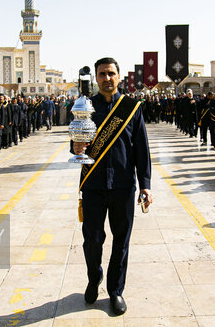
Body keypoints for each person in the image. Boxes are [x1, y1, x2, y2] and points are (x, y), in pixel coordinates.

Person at [72, 57, 152, 316]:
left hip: (123, 185)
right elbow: (75, 142)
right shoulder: (85, 106)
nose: (107, 78)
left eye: (111, 73)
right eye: (102, 74)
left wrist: (146, 185)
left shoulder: (131, 107)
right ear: (96, 78)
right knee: (92, 240)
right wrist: (75, 147)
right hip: (93, 185)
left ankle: (115, 290)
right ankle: (94, 277)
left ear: (119, 77)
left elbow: (141, 148)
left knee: (121, 241)